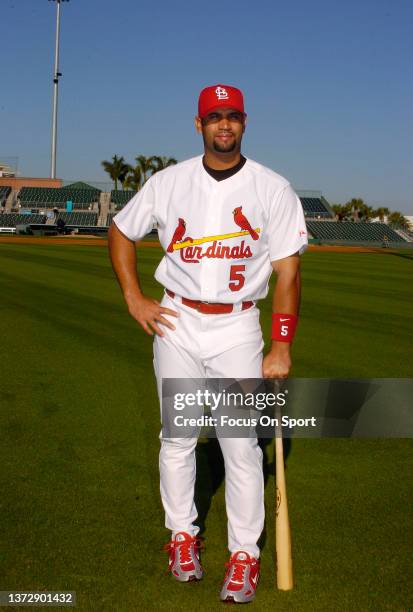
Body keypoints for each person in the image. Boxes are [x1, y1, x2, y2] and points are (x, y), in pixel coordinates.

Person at [108, 84, 307, 604]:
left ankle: (245, 555)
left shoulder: (273, 188)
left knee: (240, 446)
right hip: (176, 320)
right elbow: (121, 230)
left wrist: (281, 345)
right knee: (177, 436)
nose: (224, 124)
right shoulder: (169, 182)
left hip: (238, 327)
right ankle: (182, 536)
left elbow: (288, 272)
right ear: (198, 124)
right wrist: (134, 298)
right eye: (214, 116)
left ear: (245, 122)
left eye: (233, 116)